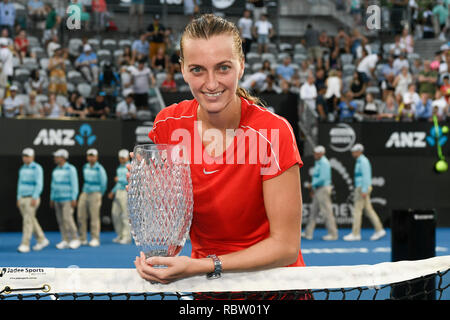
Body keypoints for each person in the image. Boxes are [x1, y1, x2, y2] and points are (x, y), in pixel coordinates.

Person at [133, 14, 308, 299]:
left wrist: (204, 265)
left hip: (275, 292)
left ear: (241, 65)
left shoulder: (273, 132)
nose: (211, 83)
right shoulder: (168, 124)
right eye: (198, 69)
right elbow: (173, 234)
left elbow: (286, 247)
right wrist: (151, 197)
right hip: (210, 292)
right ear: (182, 69)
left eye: (223, 68)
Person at [344, 144, 386, 241]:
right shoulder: (360, 161)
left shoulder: (363, 161)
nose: (352, 153)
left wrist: (364, 190)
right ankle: (379, 229)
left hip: (362, 189)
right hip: (361, 188)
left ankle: (355, 234)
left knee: (357, 211)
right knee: (368, 210)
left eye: (354, 151)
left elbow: (366, 177)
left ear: (359, 151)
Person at [16, 148, 49, 253]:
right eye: (24, 156)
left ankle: (25, 244)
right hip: (22, 198)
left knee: (27, 221)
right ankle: (42, 239)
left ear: (32, 157)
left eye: (28, 156)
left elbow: (39, 184)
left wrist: (35, 196)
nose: (25, 158)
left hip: (32, 198)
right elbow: (20, 183)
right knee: (31, 220)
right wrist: (18, 197)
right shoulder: (22, 168)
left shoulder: (37, 168)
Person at [302, 146, 338, 241]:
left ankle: (333, 234)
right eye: (314, 153)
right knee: (313, 212)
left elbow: (323, 178)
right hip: (318, 190)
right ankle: (308, 233)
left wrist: (312, 185)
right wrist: (313, 188)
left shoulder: (324, 163)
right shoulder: (318, 162)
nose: (315, 154)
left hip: (323, 189)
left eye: (316, 153)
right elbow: (317, 178)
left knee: (327, 212)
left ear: (321, 153)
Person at [50, 149, 81, 250]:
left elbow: (74, 184)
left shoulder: (70, 169)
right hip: (57, 199)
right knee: (61, 220)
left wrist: (73, 198)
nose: (55, 158)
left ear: (63, 158)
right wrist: (52, 198)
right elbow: (53, 185)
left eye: (57, 157)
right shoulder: (56, 170)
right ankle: (65, 239)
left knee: (67, 219)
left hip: (67, 198)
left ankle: (75, 239)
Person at [77, 149, 107, 247]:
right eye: (89, 156)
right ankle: (82, 238)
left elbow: (104, 183)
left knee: (94, 217)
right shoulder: (85, 167)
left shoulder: (100, 168)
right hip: (85, 192)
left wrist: (99, 194)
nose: (91, 158)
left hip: (95, 193)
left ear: (96, 157)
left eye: (93, 156)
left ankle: (95, 238)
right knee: (81, 216)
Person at [108, 149, 131, 244]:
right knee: (115, 214)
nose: (121, 159)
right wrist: (113, 191)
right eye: (120, 158)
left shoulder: (130, 166)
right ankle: (120, 234)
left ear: (127, 157)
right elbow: (118, 183)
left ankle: (127, 237)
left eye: (123, 158)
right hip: (118, 192)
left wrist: (119, 179)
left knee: (125, 215)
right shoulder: (119, 168)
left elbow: (130, 180)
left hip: (126, 192)